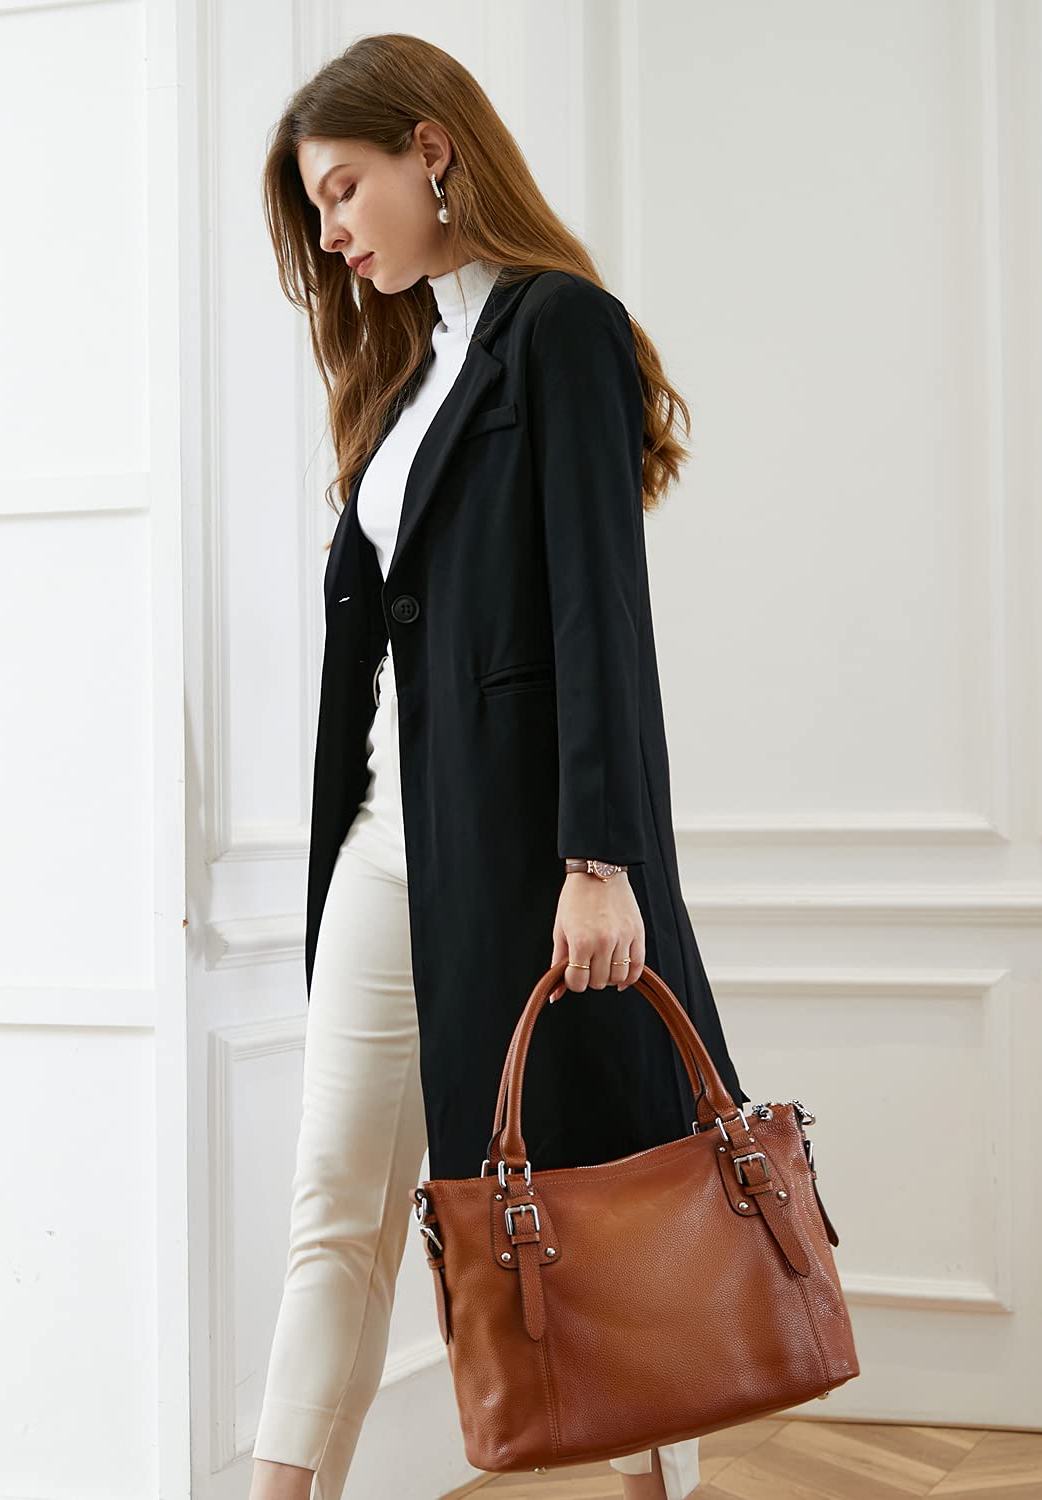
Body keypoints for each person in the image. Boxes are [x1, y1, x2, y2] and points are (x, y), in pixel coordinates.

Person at [248, 32, 750, 1500]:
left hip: (532, 847)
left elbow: (601, 609)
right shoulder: (409, 376)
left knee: (607, 1184)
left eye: (344, 190)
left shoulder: (558, 329)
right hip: (385, 844)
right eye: (316, 210)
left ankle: (655, 1488)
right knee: (337, 1202)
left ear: (433, 149)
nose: (332, 235)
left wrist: (601, 857)